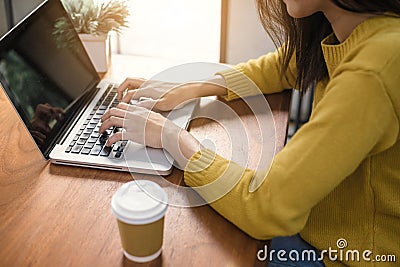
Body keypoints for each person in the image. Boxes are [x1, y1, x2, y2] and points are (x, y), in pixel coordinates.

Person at [100, 0, 400, 266]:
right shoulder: (351, 27)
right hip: (318, 222)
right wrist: (190, 86)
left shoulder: (374, 69)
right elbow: (283, 67)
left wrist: (172, 137)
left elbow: (268, 206)